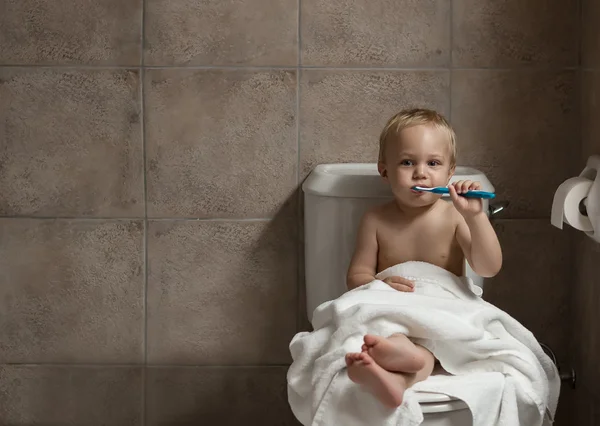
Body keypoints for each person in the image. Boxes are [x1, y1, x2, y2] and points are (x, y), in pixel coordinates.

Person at [344, 107, 503, 408]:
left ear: (449, 172)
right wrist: (380, 284)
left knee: (432, 345)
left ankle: (401, 369)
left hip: (441, 310)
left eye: (433, 163)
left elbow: (489, 268)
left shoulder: (456, 215)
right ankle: (399, 368)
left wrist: (476, 218)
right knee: (397, 335)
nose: (421, 172)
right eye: (407, 162)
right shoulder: (375, 219)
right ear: (384, 170)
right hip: (395, 307)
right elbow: (357, 276)